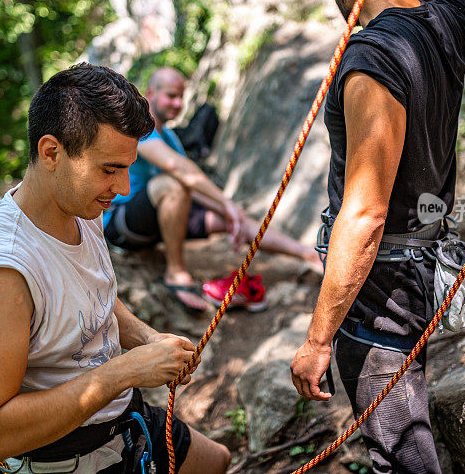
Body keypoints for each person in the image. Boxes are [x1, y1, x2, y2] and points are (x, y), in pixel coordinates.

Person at [0, 63, 230, 473]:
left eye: (128, 166)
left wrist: (148, 339)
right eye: (110, 169)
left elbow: (93, 295)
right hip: (62, 457)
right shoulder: (1, 272)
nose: (125, 188)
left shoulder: (80, 208)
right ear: (51, 153)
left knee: (216, 461)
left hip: (121, 422)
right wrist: (124, 372)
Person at [289, 0, 465, 472]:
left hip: (380, 302)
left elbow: (365, 217)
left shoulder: (372, 60)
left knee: (403, 457)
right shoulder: (444, 19)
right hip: (426, 273)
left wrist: (318, 340)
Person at [103, 67, 322, 311]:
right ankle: (176, 273)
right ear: (151, 93)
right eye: (171, 96)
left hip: (157, 216)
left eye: (181, 97)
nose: (178, 103)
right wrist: (225, 201)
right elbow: (177, 169)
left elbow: (192, 188)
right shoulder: (138, 129)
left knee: (233, 216)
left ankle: (308, 254)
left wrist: (229, 211)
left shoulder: (171, 138)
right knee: (172, 184)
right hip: (121, 225)